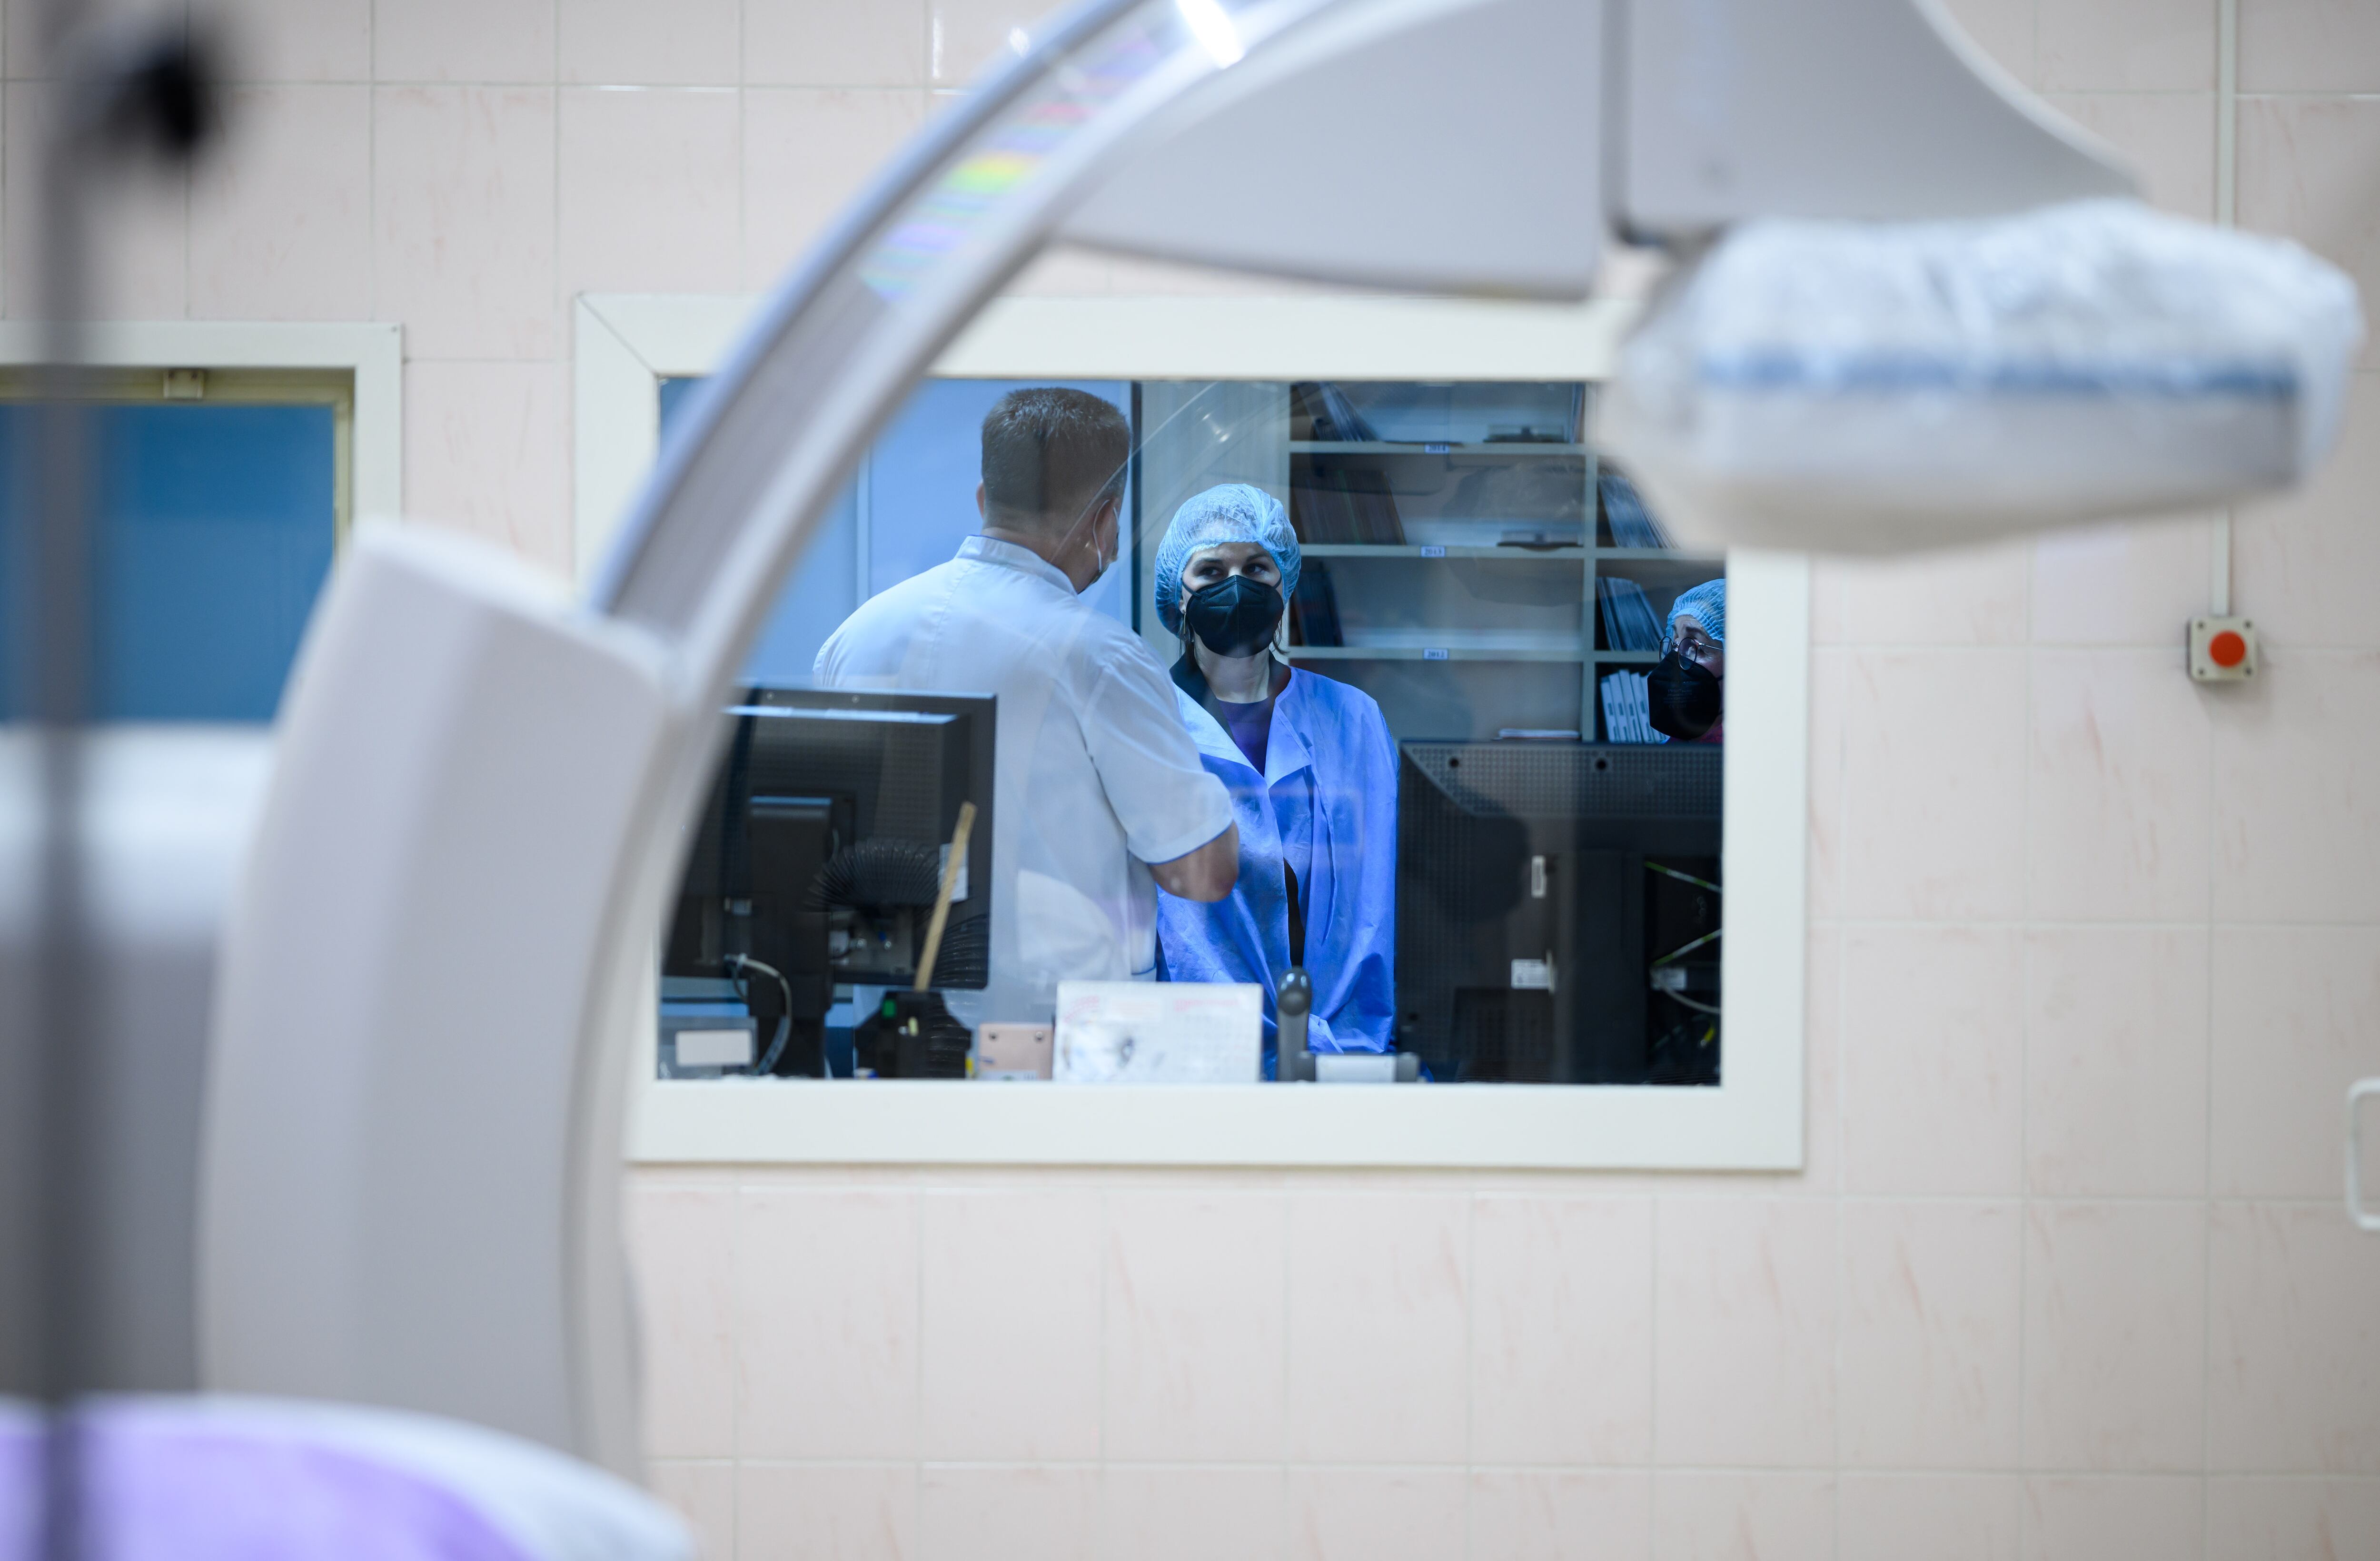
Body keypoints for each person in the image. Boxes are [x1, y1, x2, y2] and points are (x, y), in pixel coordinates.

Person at [813, 387, 1238, 1026]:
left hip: (894, 1037)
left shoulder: (855, 638)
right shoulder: (1102, 658)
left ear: (984, 500)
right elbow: (1200, 874)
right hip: (1062, 1041)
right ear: (1104, 520)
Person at [1151, 484, 1397, 1067]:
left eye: (1256, 567)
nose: (1235, 585)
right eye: (1210, 570)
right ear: (1177, 595)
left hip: (1336, 1048)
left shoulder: (1351, 717)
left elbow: (1375, 901)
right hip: (1191, 1053)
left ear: (1283, 584)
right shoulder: (1144, 717)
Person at [1646, 578, 1725, 743]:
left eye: (1695, 646)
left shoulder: (1758, 758)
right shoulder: (1665, 755)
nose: (1676, 659)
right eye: (1675, 644)